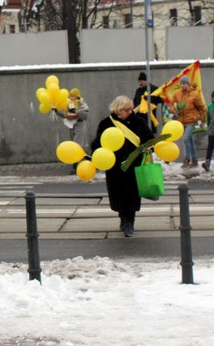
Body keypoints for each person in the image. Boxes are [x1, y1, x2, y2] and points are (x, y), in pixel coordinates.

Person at [90, 95, 154, 237]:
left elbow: (149, 139)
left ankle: (129, 222)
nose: (131, 112)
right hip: (115, 167)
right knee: (119, 194)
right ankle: (123, 219)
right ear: (118, 110)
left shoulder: (138, 122)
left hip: (134, 164)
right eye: (127, 110)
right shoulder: (106, 123)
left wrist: (149, 147)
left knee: (132, 195)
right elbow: (96, 144)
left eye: (131, 109)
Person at [172, 76, 207, 169]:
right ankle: (194, 160)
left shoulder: (195, 94)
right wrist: (175, 110)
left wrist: (203, 120)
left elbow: (201, 108)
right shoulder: (177, 94)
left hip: (191, 120)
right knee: (190, 140)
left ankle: (187, 160)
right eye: (181, 84)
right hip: (182, 121)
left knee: (185, 139)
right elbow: (172, 104)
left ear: (188, 84)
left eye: (184, 84)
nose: (183, 86)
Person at [53, 88, 90, 160]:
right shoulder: (69, 104)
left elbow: (85, 115)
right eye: (70, 96)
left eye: (72, 96)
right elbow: (65, 115)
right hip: (72, 128)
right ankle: (87, 159)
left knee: (76, 146)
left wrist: (76, 112)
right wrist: (56, 111)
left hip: (80, 127)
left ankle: (75, 164)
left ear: (77, 96)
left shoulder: (82, 104)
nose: (71, 98)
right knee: (76, 146)